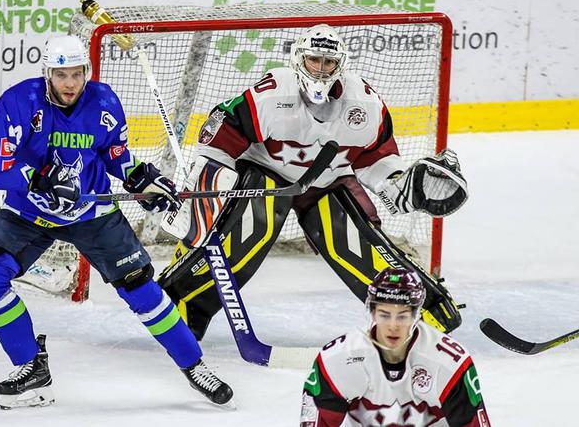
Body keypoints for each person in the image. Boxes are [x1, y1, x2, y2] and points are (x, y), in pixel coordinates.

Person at [157, 24, 469, 340]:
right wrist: (207, 183)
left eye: (329, 62)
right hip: (267, 173)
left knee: (360, 244)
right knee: (245, 236)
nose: (321, 69)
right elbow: (222, 136)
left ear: (340, 65)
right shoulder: (273, 94)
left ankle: (419, 313)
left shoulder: (365, 105)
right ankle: (180, 307)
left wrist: (399, 185)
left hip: (328, 180)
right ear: (299, 60)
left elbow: (376, 156)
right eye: (314, 60)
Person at [0, 35, 233, 409]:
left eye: (77, 74)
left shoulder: (104, 101)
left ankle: (195, 366)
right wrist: (36, 179)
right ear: (47, 73)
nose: (70, 83)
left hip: (91, 213)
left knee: (142, 291)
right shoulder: (18, 102)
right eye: (61, 74)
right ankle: (31, 366)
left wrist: (142, 178)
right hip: (28, 212)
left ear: (86, 72)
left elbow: (116, 157)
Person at [300, 268, 491, 427]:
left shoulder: (449, 363)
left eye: (402, 316)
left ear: (416, 315)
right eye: (384, 314)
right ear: (372, 313)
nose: (393, 326)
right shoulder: (337, 359)